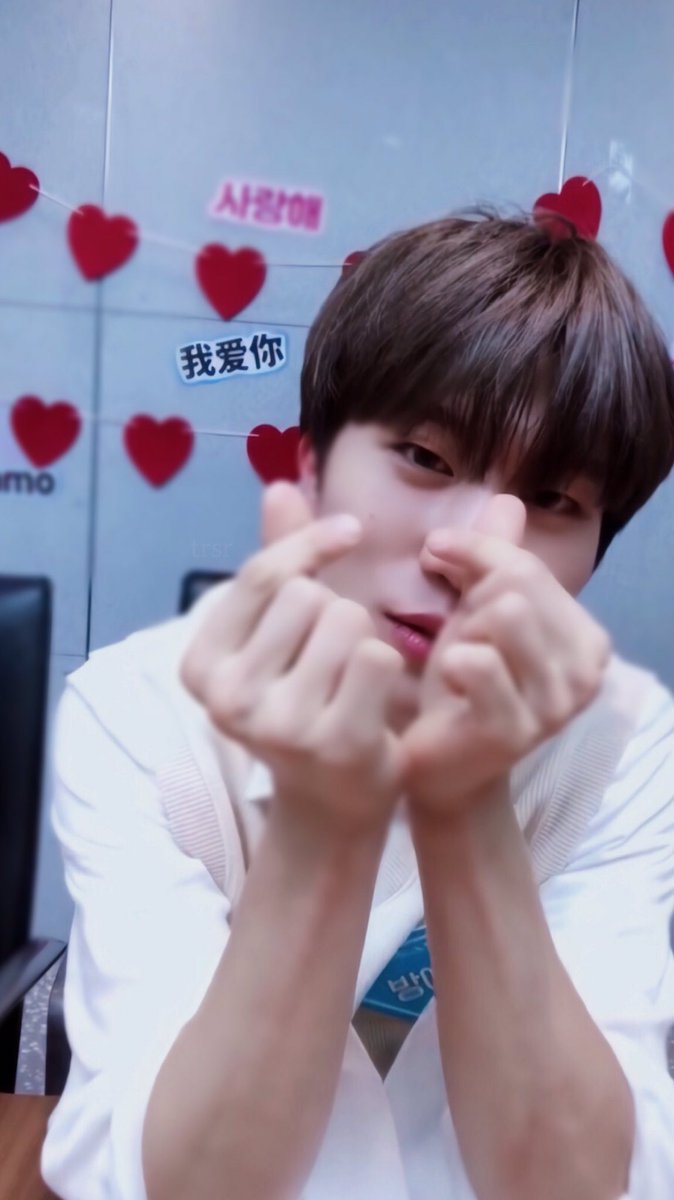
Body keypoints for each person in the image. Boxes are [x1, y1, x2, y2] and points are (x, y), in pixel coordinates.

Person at [41, 212, 674, 1200]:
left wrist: (464, 803)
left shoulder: (621, 749)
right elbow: (188, 1183)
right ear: (311, 465)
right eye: (425, 457)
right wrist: (321, 821)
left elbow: (577, 1181)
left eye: (555, 501)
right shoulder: (142, 715)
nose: (476, 547)